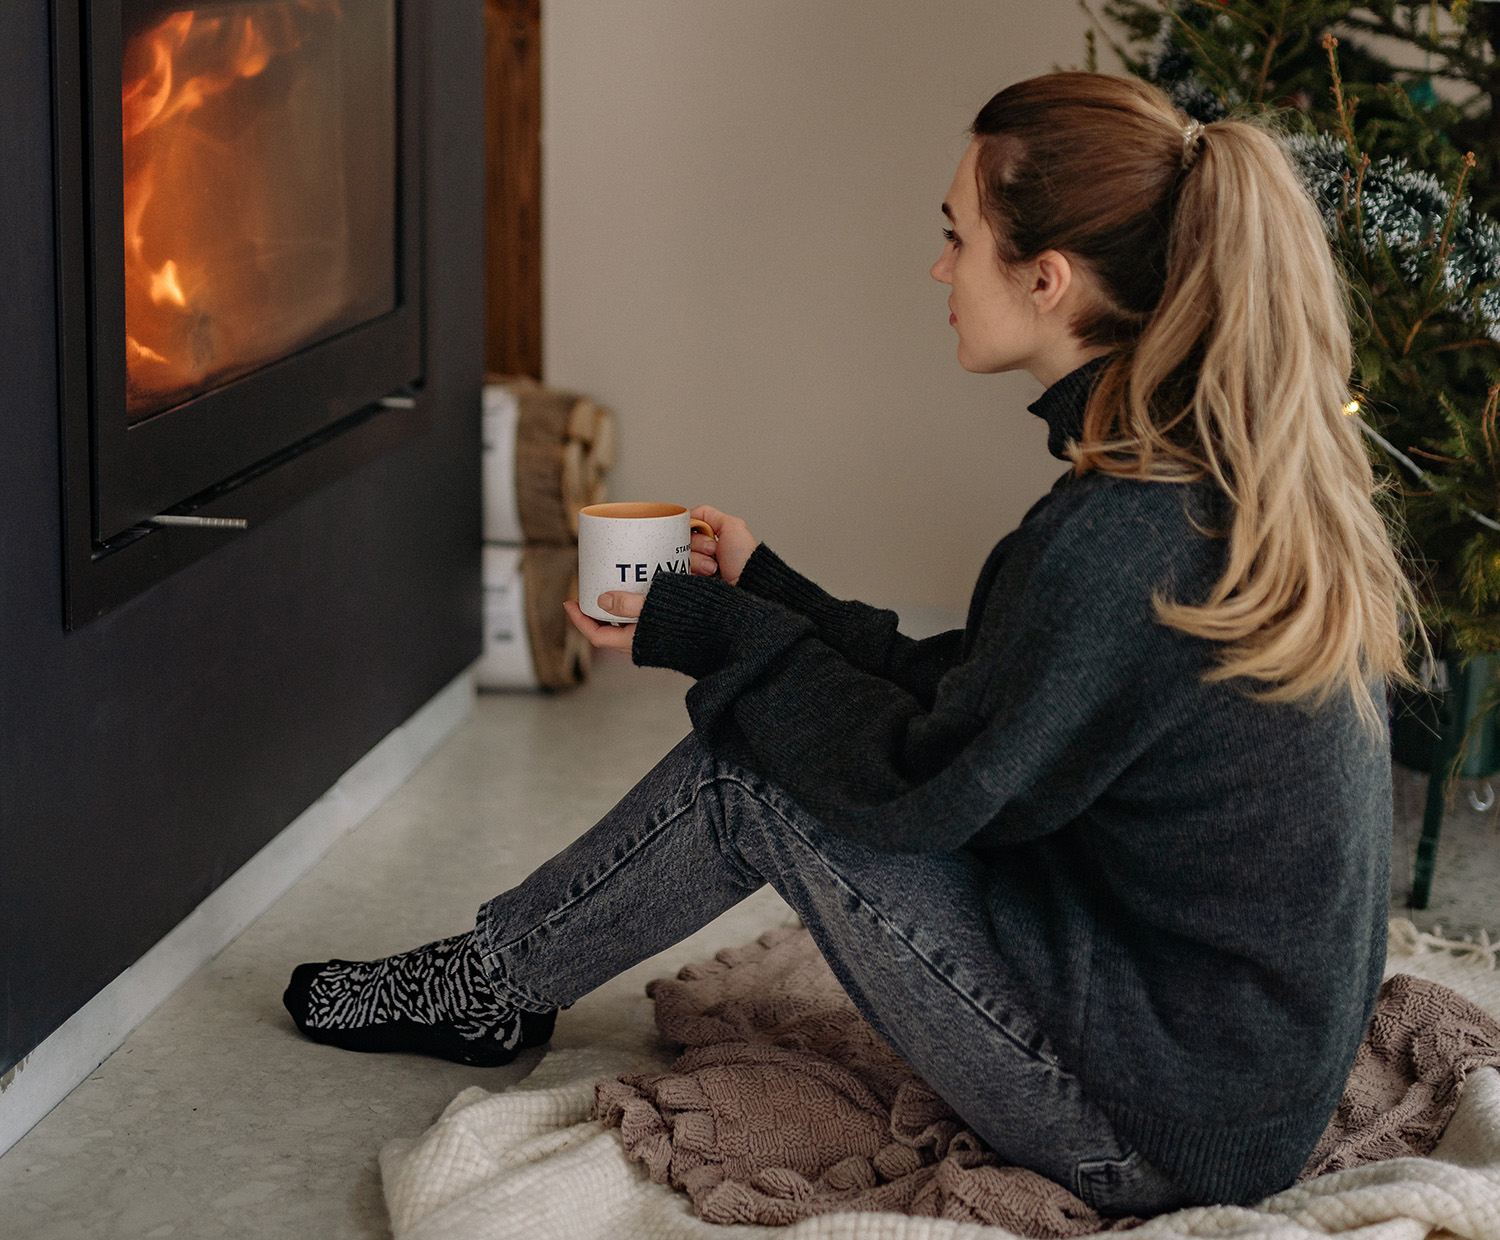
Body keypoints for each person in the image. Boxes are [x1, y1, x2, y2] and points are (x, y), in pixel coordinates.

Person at [283, 72, 1417, 1215]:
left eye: (956, 236)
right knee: (782, 728)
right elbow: (985, 702)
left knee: (754, 772)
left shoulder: (1118, 537)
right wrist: (772, 592)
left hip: (1144, 1133)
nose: (939, 269)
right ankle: (498, 975)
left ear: (1047, 278)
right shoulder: (1200, 474)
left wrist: (713, 628)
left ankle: (486, 985)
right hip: (1219, 1088)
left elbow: (922, 785)